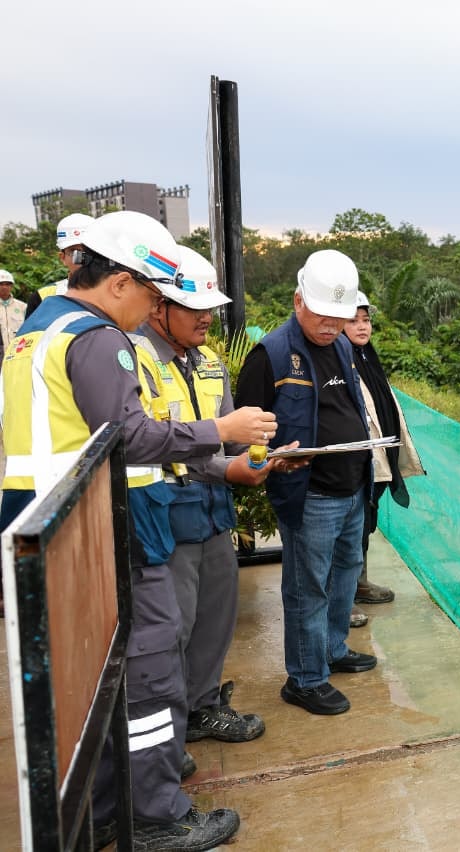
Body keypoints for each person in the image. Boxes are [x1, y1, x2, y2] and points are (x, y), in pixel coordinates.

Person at [1, 210, 277, 851]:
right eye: (152, 294)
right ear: (121, 281)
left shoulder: (38, 329)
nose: (151, 309)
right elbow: (129, 434)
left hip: (52, 527)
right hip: (102, 529)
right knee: (151, 674)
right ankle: (154, 817)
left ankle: (105, 807)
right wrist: (221, 432)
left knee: (95, 680)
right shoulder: (99, 338)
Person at [134, 246, 298, 750]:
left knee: (214, 619)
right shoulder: (132, 356)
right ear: (157, 304)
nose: (206, 317)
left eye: (210, 307)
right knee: (169, 631)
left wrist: (254, 465)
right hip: (164, 512)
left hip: (212, 510)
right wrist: (224, 453)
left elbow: (224, 448)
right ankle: (164, 740)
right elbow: (145, 439)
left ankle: (202, 708)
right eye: (193, 307)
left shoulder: (208, 363)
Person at [234, 249, 376, 716]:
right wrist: (268, 461)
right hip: (310, 493)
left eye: (340, 316)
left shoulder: (339, 345)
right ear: (298, 301)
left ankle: (333, 649)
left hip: (351, 484)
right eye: (323, 316)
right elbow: (248, 430)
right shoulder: (271, 355)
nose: (333, 326)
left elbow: (349, 406)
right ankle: (305, 678)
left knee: (345, 572)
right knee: (307, 587)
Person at [343, 291, 423, 629]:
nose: (362, 327)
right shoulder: (339, 359)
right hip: (355, 462)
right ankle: (341, 600)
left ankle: (358, 583)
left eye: (366, 320)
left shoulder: (365, 355)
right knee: (347, 529)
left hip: (379, 459)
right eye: (353, 320)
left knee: (365, 523)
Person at [27, 211, 93, 317]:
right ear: (62, 257)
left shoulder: (117, 292)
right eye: (74, 252)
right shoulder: (43, 297)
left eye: (88, 251)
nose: (82, 258)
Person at [0, 269, 25, 353]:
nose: (4, 287)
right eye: (1, 284)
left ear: (12, 286)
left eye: (7, 284)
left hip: (18, 352)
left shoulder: (23, 307)